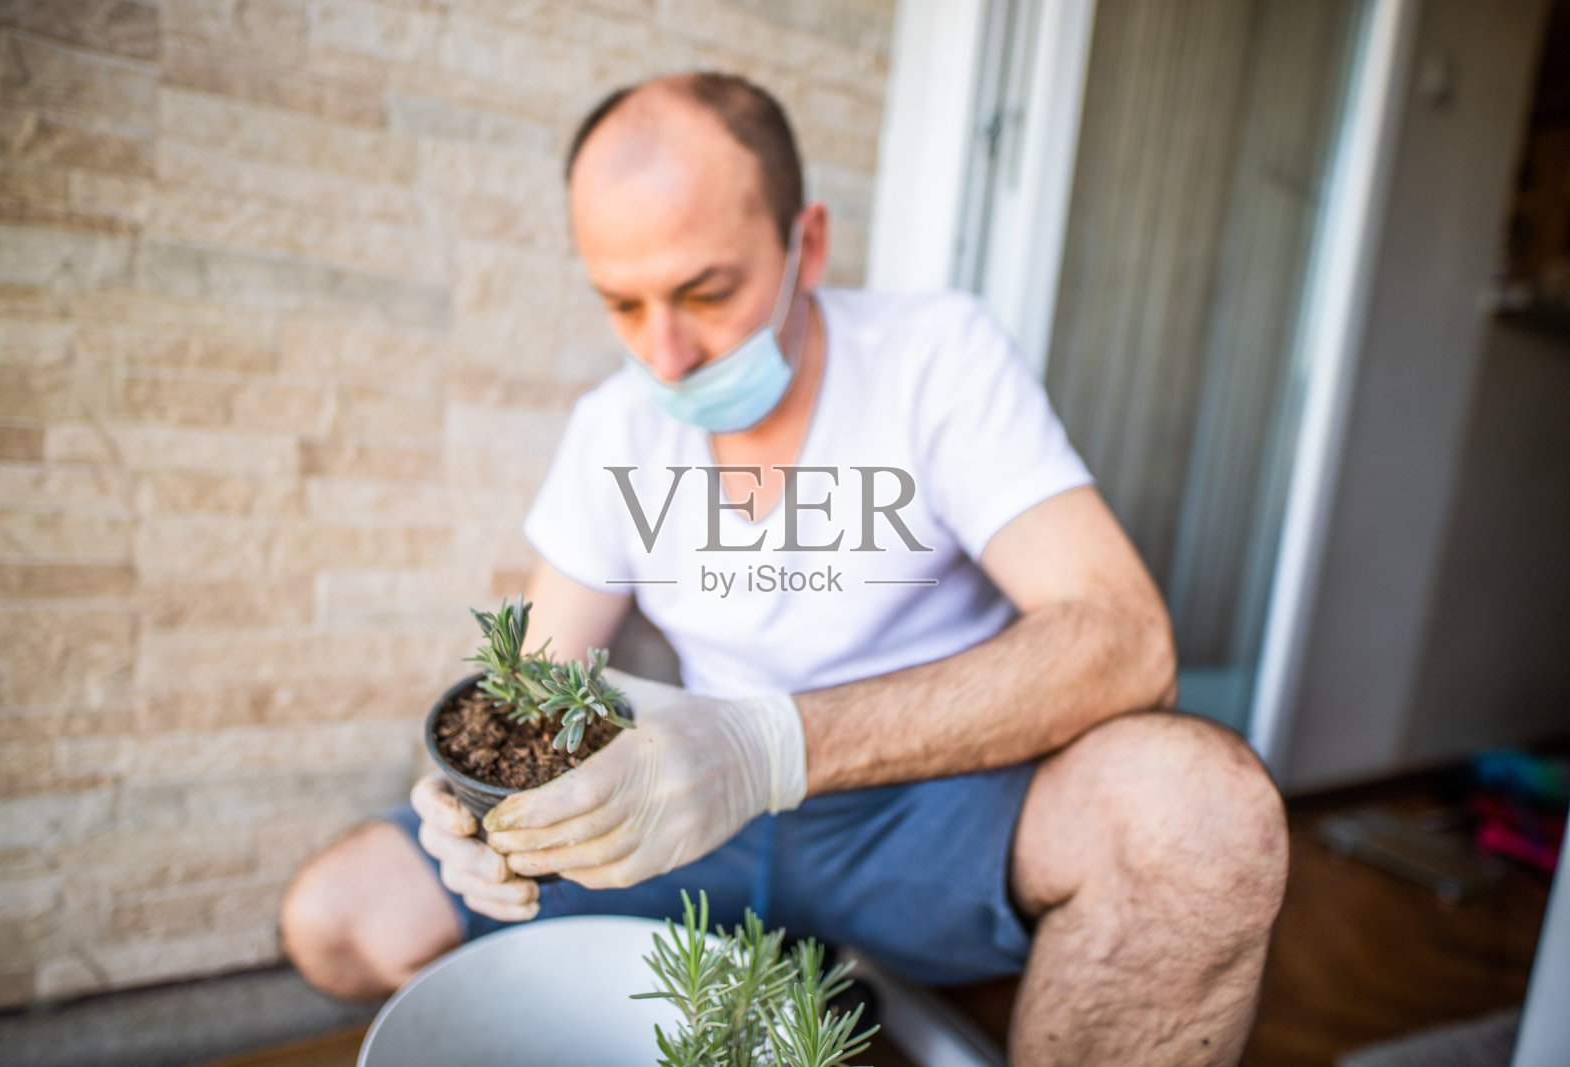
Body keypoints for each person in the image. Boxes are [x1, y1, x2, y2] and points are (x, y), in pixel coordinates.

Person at [280, 71, 1288, 1065]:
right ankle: (780, 981)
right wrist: (464, 806)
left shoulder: (935, 357)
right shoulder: (614, 427)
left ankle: (799, 974)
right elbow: (527, 684)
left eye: (707, 291)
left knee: (1202, 819)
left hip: (931, 805)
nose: (666, 354)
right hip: (689, 815)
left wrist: (768, 747)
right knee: (341, 915)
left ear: (807, 243)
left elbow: (1125, 640)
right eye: (623, 304)